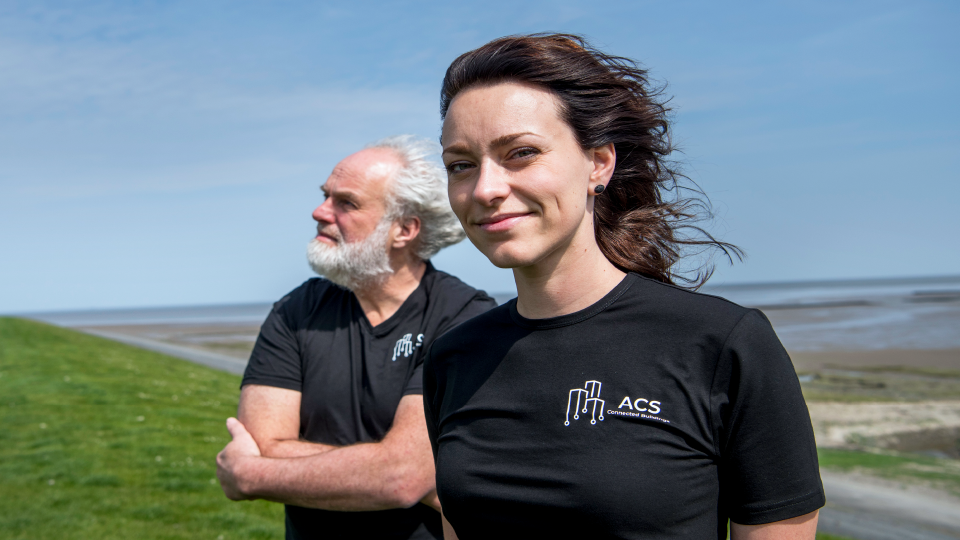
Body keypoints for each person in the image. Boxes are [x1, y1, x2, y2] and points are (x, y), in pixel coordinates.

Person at [423, 34, 825, 540]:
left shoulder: (722, 344)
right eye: (461, 165)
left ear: (599, 163)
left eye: (521, 153)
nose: (485, 189)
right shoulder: (454, 358)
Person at [216, 135, 497, 540]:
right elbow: (261, 442)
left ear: (404, 229)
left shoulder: (463, 317)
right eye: (325, 196)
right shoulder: (296, 311)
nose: (319, 212)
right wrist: (399, 469)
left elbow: (402, 477)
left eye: (345, 203)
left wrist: (254, 475)